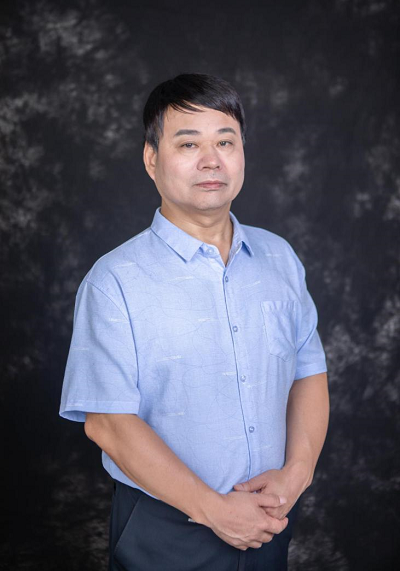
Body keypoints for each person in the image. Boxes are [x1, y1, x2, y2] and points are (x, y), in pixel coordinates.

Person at [60, 73, 329, 571]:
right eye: (188, 144)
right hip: (164, 532)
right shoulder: (114, 280)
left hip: (270, 520)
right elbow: (108, 423)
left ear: (242, 152)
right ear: (151, 159)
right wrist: (215, 511)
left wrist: (296, 475)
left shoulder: (280, 258)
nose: (211, 160)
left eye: (225, 142)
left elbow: (308, 372)